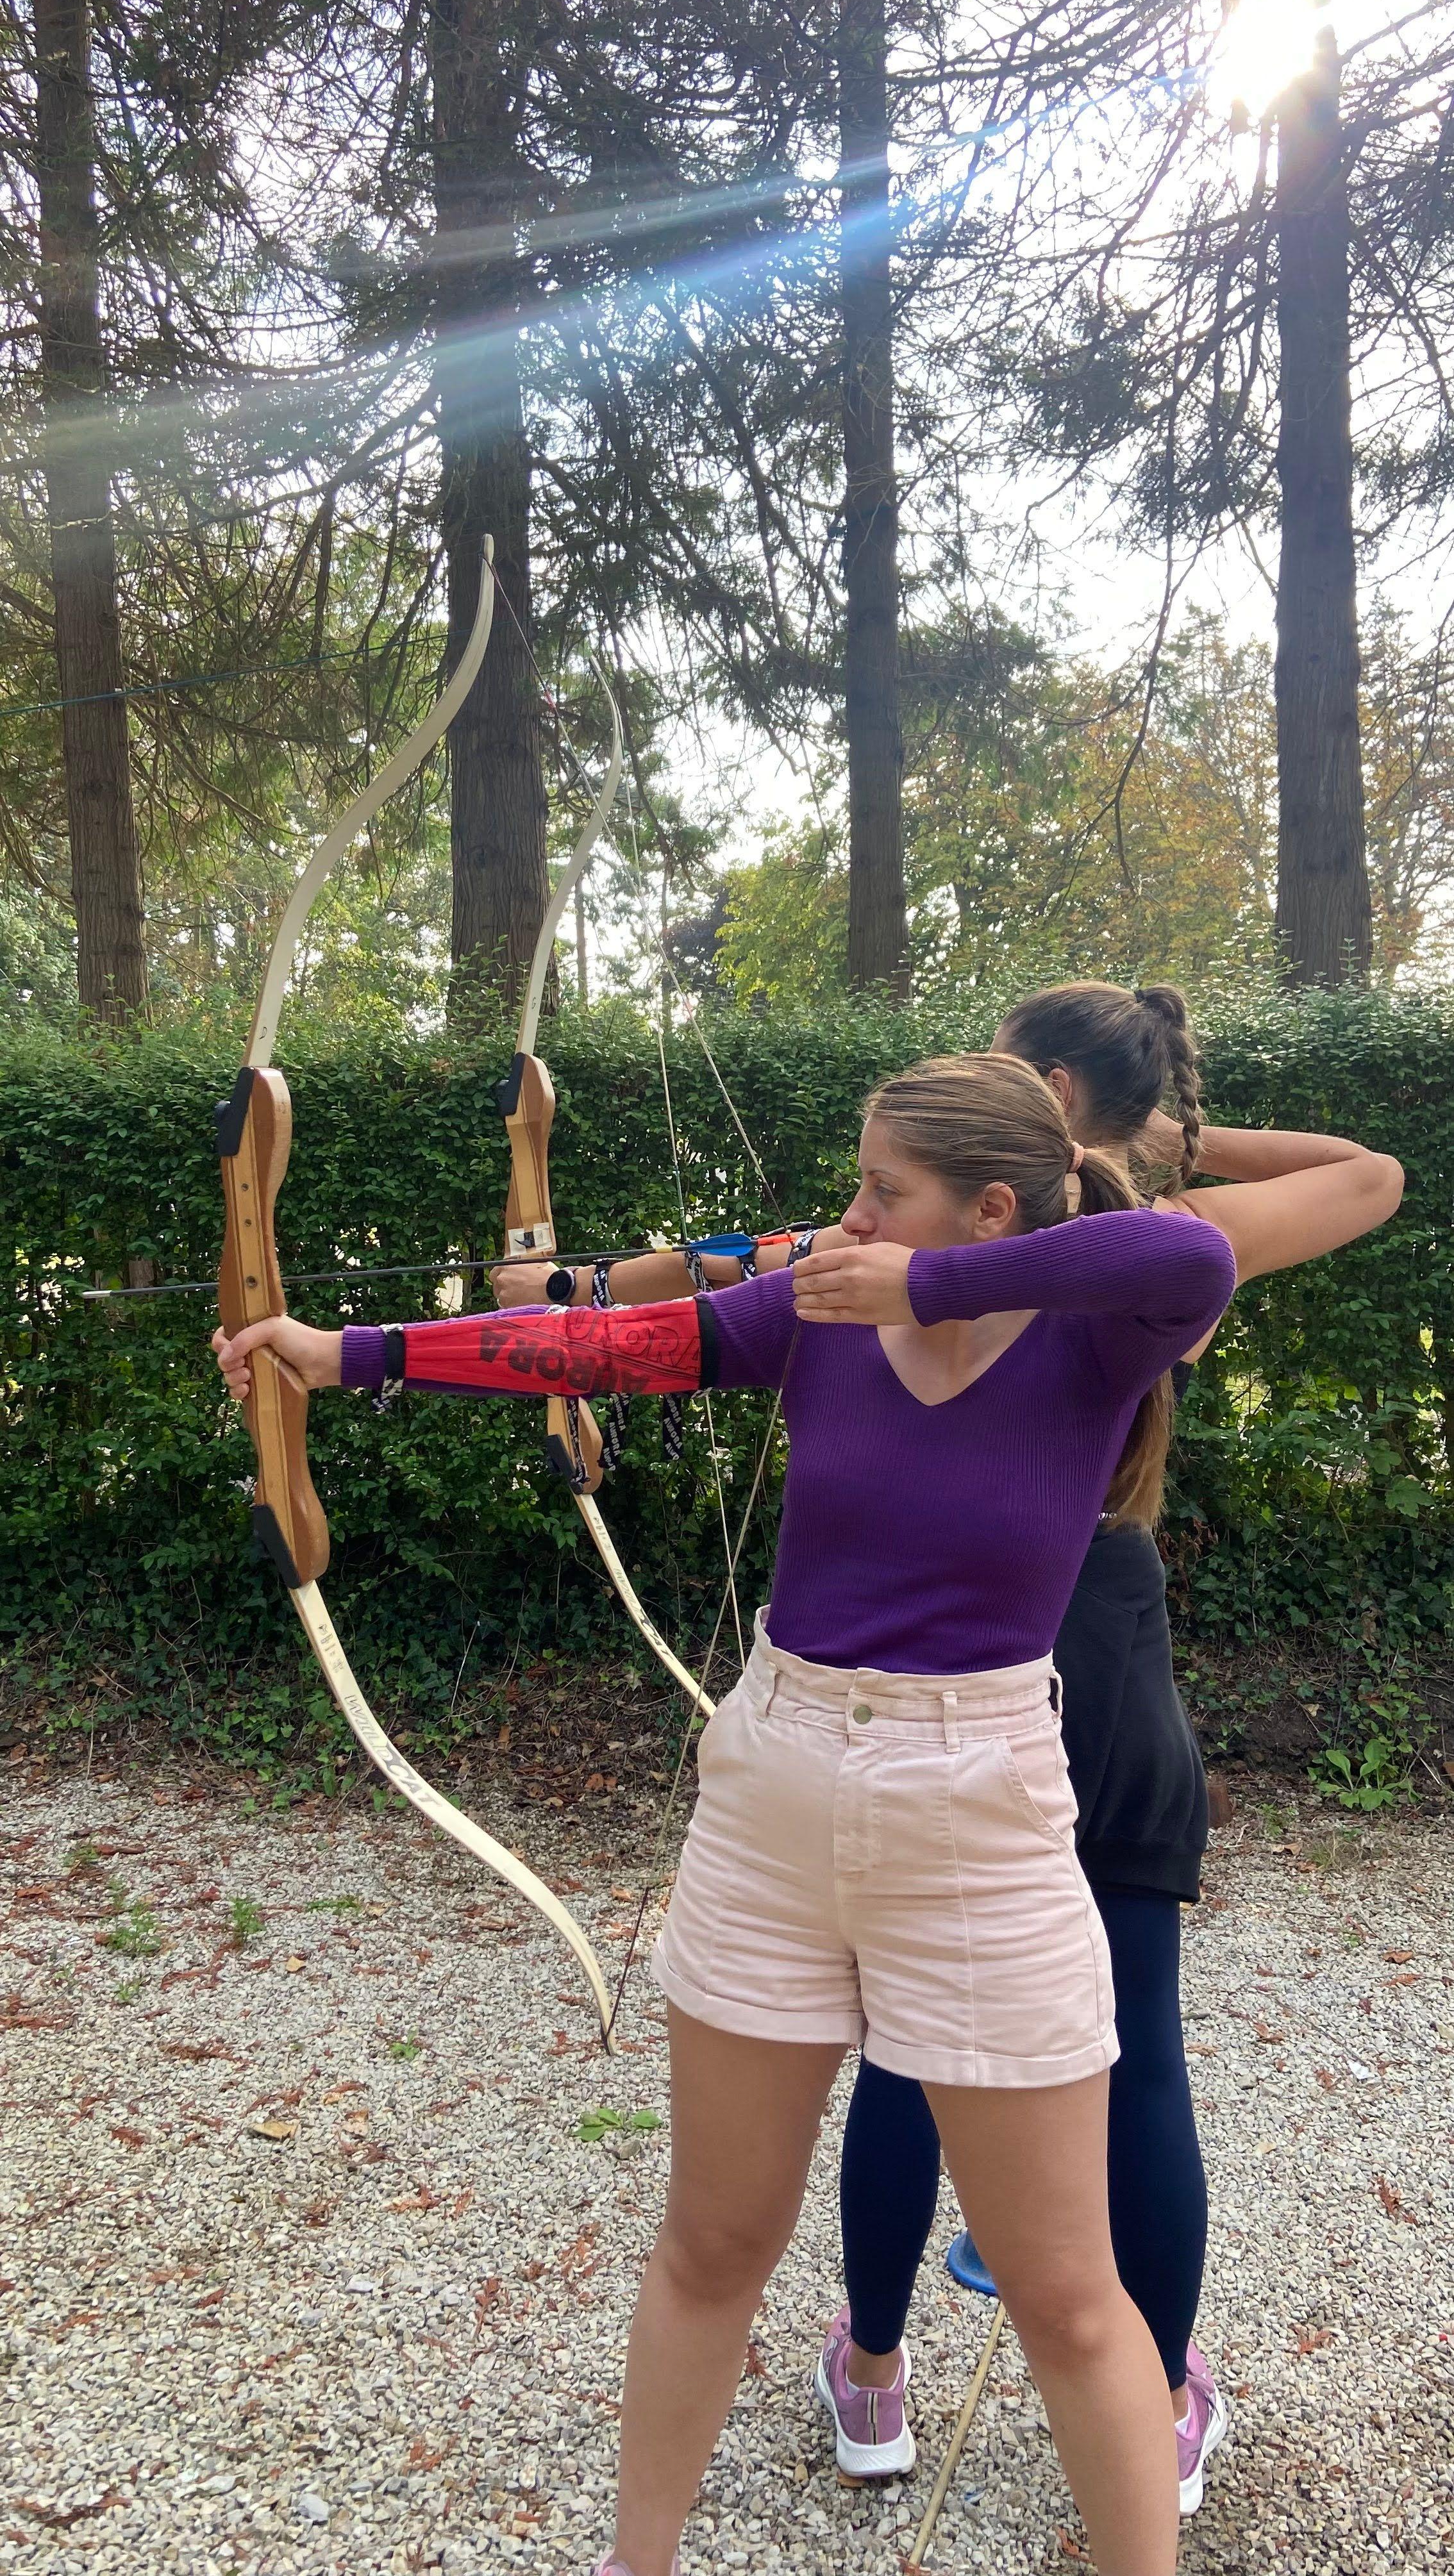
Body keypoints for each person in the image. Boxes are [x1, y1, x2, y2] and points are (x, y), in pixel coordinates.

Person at [217, 1047, 1241, 2576]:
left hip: (982, 1805)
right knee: (712, 2241)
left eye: (883, 1192)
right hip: (777, 1787)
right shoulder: (815, 1312)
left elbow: (1193, 1253)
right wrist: (344, 1355)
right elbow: (596, 1344)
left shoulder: (1096, 1334)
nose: (847, 1219)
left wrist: (926, 1288)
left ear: (991, 1211)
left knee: (1069, 2298)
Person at [492, 979, 1405, 2518]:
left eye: (1002, 1064)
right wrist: (553, 1297)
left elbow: (1341, 1190)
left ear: (1048, 1104)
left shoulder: (1109, 1247)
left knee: (1015, 2060)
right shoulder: (949, 1234)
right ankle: (1025, 2374)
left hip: (1035, 1662)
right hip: (1063, 1642)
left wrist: (1135, 1164)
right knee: (1068, 2041)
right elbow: (729, 1283)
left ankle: (938, 2360)